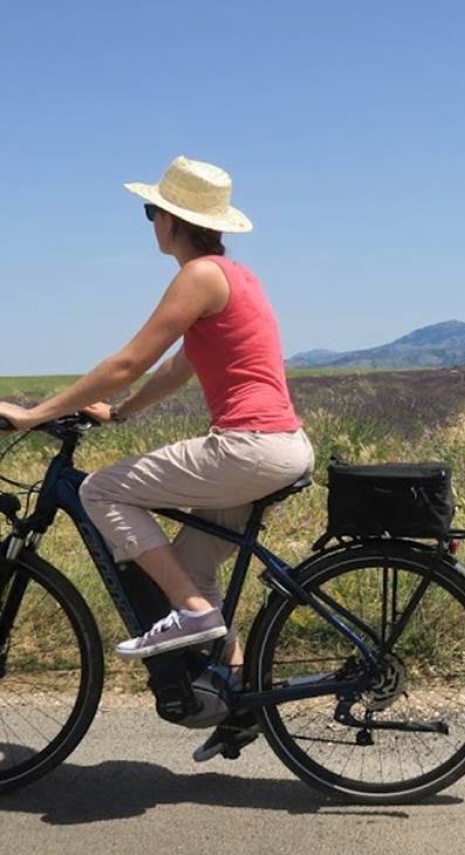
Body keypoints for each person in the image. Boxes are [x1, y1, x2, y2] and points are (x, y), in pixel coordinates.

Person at [0, 155, 313, 758]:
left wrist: (35, 413)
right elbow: (180, 365)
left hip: (248, 447)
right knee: (191, 569)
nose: (150, 223)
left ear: (171, 219)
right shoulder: (234, 275)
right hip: (279, 446)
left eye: (151, 212)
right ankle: (238, 695)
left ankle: (194, 617)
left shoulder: (197, 277)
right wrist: (119, 414)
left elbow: (128, 362)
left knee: (101, 491)